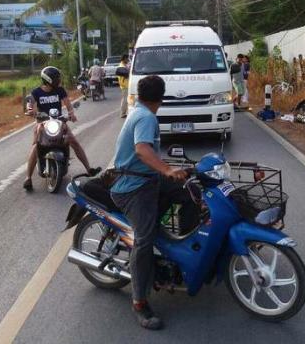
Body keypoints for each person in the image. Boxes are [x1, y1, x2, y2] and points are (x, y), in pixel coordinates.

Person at [110, 75, 198, 330]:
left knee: (190, 192)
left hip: (147, 178)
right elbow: (142, 150)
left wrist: (175, 170)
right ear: (162, 96)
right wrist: (167, 169)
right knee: (143, 240)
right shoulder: (146, 116)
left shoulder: (139, 111)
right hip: (132, 188)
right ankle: (139, 302)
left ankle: (180, 252)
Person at [24, 66, 98, 190]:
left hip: (58, 121)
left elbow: (67, 103)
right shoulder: (36, 92)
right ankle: (28, 178)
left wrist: (71, 113)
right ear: (49, 79)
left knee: (73, 141)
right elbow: (29, 102)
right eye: (56, 78)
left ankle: (89, 169)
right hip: (42, 123)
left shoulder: (60, 90)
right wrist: (30, 110)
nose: (59, 80)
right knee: (36, 146)